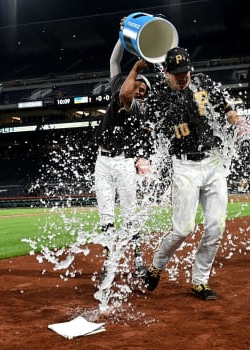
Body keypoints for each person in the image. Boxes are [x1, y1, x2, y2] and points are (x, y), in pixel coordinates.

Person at [142, 47, 250, 300]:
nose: (183, 77)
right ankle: (157, 266)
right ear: (166, 71)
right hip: (184, 166)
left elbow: (225, 104)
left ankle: (200, 281)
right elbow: (154, 127)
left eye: (186, 71)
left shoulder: (202, 81)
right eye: (177, 73)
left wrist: (234, 117)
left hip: (212, 162)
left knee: (215, 226)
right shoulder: (159, 95)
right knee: (183, 229)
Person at [93, 19, 152, 277]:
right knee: (106, 212)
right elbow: (114, 60)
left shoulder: (138, 106)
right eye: (138, 86)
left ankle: (138, 257)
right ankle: (109, 259)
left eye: (143, 90)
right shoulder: (120, 84)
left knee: (130, 212)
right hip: (102, 160)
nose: (139, 91)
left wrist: (137, 68)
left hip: (124, 162)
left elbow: (126, 95)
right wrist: (123, 34)